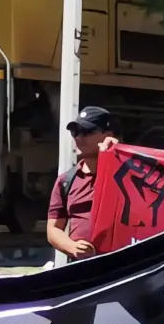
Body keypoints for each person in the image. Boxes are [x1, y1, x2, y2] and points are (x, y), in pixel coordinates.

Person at [47, 106, 115, 261]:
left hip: (119, 266)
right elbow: (53, 229)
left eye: (87, 132)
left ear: (108, 135)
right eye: (75, 133)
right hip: (80, 268)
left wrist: (117, 152)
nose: (79, 138)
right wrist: (72, 247)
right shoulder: (66, 181)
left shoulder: (124, 175)